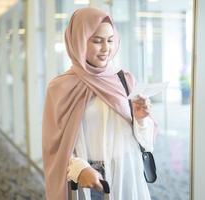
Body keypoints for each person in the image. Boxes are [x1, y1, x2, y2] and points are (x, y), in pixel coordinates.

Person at [42, 7, 157, 200]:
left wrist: (140, 120)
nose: (106, 48)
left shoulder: (125, 81)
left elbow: (145, 142)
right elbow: (54, 147)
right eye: (97, 41)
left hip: (125, 176)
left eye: (110, 40)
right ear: (78, 41)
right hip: (85, 182)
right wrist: (79, 169)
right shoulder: (60, 87)